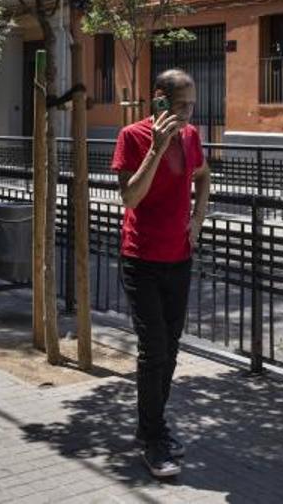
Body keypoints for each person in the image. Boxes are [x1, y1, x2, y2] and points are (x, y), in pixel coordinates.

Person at [111, 69, 211, 478]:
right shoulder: (132, 136)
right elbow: (130, 196)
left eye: (191, 104)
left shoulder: (191, 137)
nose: (188, 113)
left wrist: (198, 220)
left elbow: (203, 177)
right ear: (159, 101)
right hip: (141, 259)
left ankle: (151, 426)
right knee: (153, 350)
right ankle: (153, 439)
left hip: (179, 257)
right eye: (181, 104)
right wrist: (157, 147)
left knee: (170, 348)